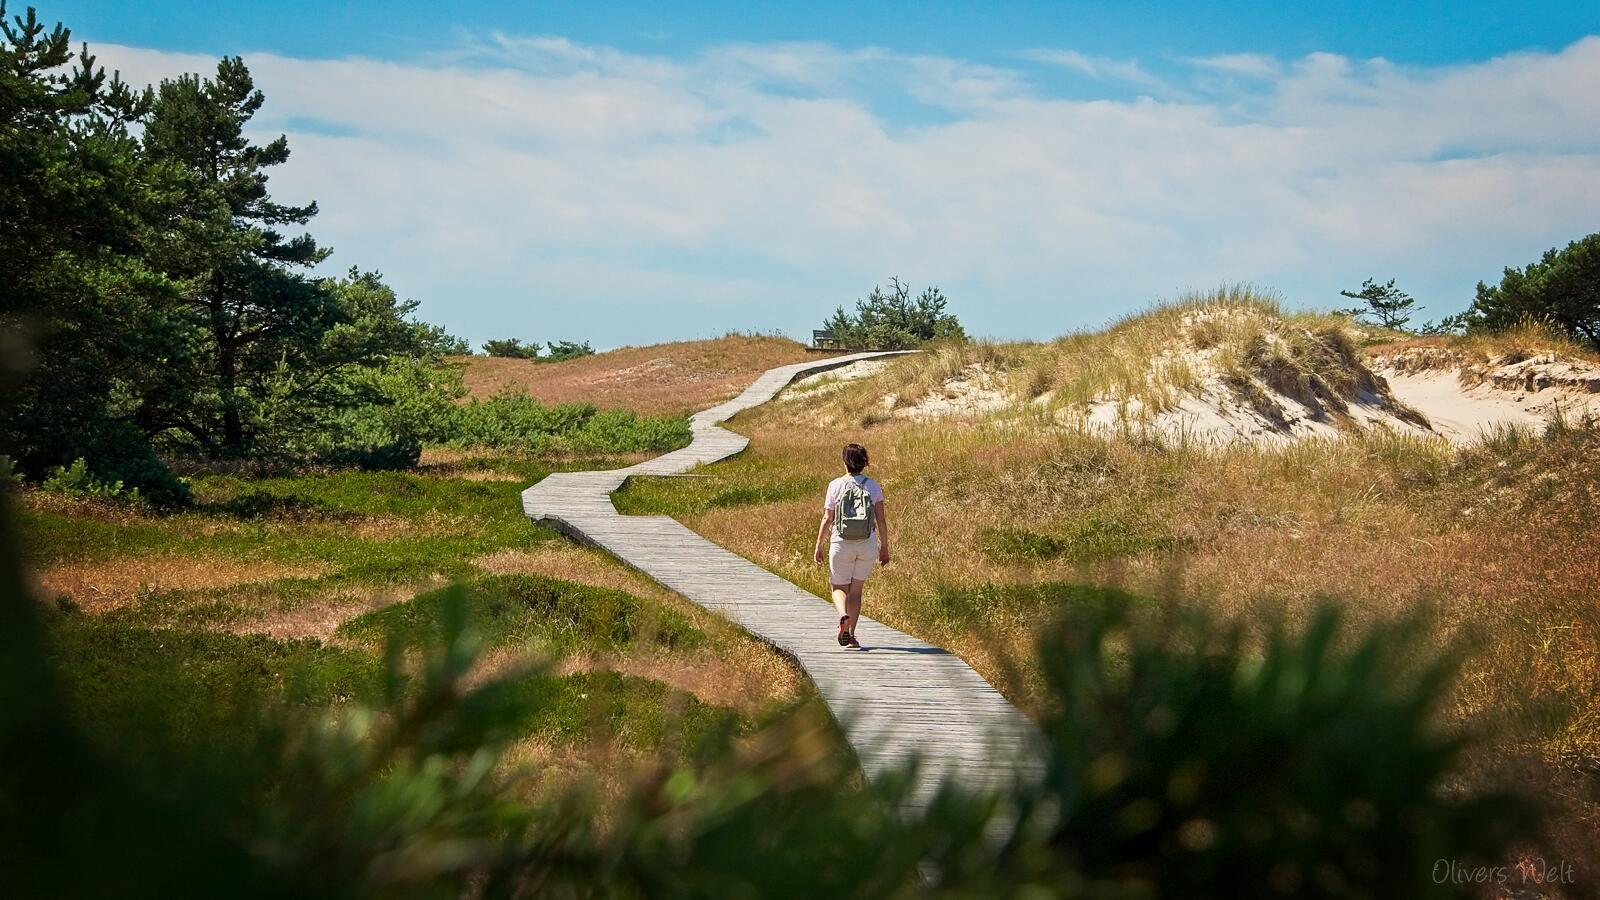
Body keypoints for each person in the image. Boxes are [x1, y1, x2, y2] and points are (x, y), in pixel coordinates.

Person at [813, 442, 889, 649]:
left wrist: (819, 545)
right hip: (867, 544)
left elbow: (827, 518)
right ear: (864, 463)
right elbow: (881, 520)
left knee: (839, 587)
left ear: (844, 462)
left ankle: (842, 615)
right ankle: (852, 635)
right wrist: (884, 547)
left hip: (841, 543)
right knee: (856, 591)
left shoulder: (835, 485)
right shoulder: (873, 486)